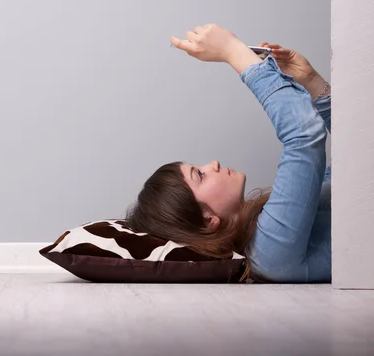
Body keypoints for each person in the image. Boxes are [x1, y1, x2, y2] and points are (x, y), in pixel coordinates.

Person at [126, 24, 331, 283]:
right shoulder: (269, 253)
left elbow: (360, 163)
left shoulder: (268, 223)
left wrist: (311, 81)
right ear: (208, 220)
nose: (213, 164)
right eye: (199, 175)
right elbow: (304, 135)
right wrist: (233, 52)